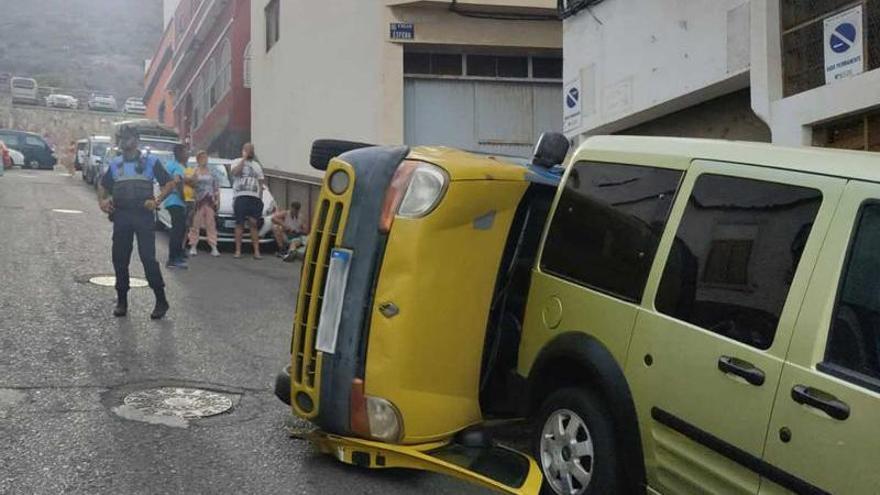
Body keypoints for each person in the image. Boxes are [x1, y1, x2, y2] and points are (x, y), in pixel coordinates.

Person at [98, 126, 177, 319]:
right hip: (122, 215)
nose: (125, 141)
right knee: (120, 259)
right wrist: (102, 201)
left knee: (148, 259)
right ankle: (122, 301)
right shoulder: (116, 164)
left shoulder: (150, 161)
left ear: (137, 140)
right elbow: (103, 185)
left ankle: (161, 300)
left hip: (143, 216)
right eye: (122, 138)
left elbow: (169, 183)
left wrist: (156, 201)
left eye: (129, 138)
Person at [230, 142, 266, 259]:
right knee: (239, 223)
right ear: (243, 150)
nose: (251, 152)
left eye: (252, 150)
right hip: (241, 196)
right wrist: (244, 159)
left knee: (253, 224)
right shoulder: (236, 161)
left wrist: (260, 198)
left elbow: (261, 182)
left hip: (254, 197)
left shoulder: (257, 165)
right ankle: (238, 250)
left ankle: (256, 251)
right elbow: (235, 173)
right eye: (248, 149)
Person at [186, 150, 220, 257]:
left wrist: (218, 199)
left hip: (209, 200)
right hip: (198, 200)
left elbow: (216, 187)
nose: (204, 160)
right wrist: (193, 178)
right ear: (198, 160)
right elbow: (190, 184)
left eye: (205, 158)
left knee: (211, 224)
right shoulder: (195, 171)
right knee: (195, 224)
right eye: (202, 158)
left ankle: (213, 245)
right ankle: (193, 245)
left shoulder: (212, 172)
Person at [162, 144, 189, 269]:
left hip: (170, 201)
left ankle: (178, 254)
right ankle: (173, 259)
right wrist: (185, 198)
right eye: (186, 152)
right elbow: (178, 183)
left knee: (179, 229)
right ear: (180, 154)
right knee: (177, 230)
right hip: (176, 201)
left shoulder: (169, 165)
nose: (187, 154)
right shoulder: (177, 167)